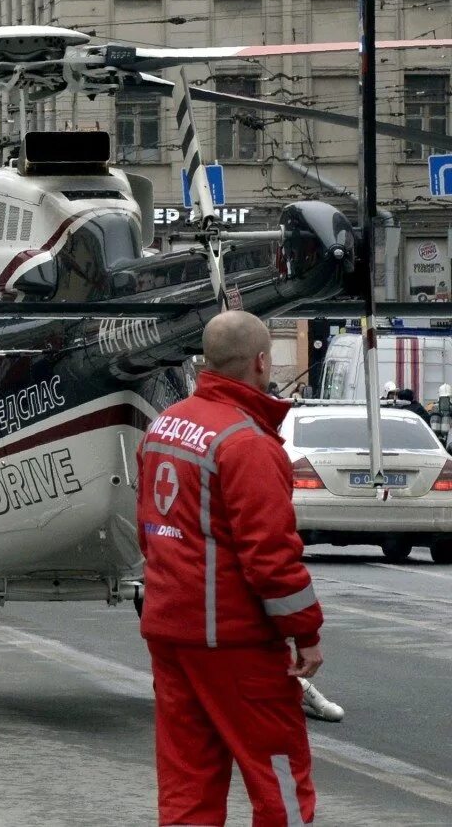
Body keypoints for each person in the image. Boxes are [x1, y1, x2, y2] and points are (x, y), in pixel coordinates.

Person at [136, 311, 324, 827]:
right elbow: (270, 558)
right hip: (234, 640)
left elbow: (148, 527)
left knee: (187, 780)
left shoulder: (163, 426)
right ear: (262, 362)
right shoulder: (248, 443)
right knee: (279, 774)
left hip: (170, 630)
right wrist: (305, 632)